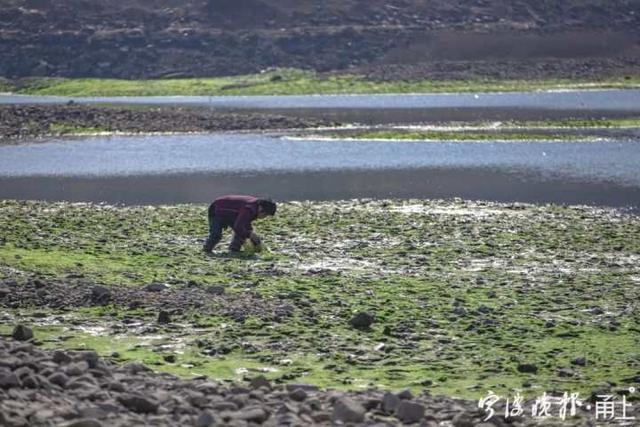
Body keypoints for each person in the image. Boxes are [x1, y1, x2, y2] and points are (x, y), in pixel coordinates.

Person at [203, 195, 277, 253]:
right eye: (265, 215)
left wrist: (252, 236)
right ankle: (207, 250)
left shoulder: (254, 208)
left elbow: (245, 223)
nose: (264, 217)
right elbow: (238, 226)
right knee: (216, 234)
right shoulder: (249, 209)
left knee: (243, 232)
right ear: (261, 209)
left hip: (232, 213)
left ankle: (234, 250)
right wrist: (250, 235)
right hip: (217, 209)